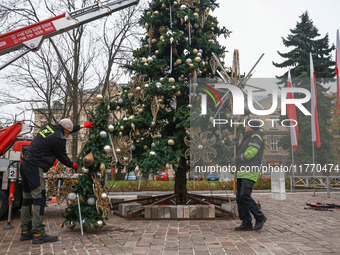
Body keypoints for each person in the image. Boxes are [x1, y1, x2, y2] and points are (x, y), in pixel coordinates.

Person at [20, 118, 94, 244]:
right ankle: (38, 233)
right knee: (39, 198)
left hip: (25, 164)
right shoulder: (58, 139)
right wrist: (73, 165)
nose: (67, 134)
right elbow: (63, 157)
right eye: (67, 132)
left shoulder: (49, 127)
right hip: (34, 167)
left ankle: (25, 231)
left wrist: (83, 126)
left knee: (27, 198)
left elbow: (70, 128)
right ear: (65, 130)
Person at [232, 120, 267, 231]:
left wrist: (237, 159)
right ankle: (246, 222)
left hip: (250, 171)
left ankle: (260, 217)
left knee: (244, 196)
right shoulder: (247, 137)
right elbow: (241, 151)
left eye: (246, 125)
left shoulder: (256, 137)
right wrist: (236, 144)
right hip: (242, 171)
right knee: (240, 198)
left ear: (251, 127)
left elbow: (250, 153)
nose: (245, 127)